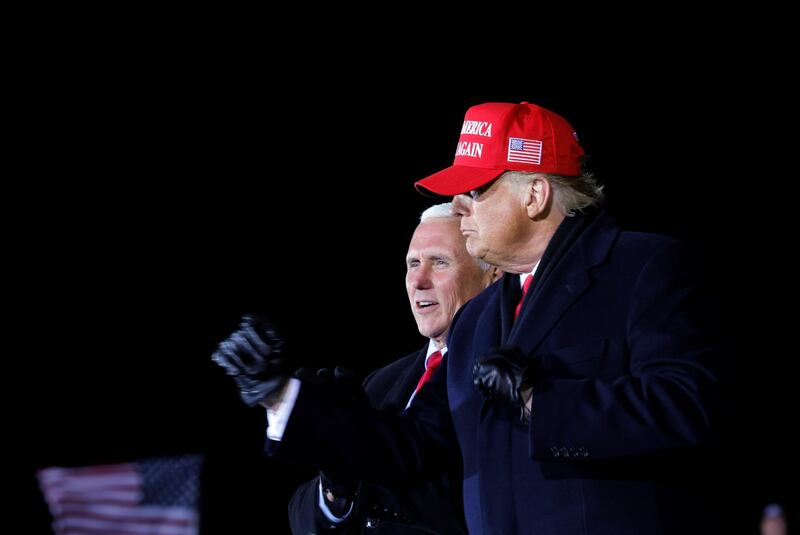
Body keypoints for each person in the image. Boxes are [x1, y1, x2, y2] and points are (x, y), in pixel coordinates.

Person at [212, 101, 722, 534]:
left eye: (477, 190)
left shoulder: (643, 266)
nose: (459, 206)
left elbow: (689, 406)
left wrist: (538, 400)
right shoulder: (478, 320)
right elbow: (411, 448)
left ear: (535, 194)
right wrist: (281, 395)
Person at [287, 203, 498, 534]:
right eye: (412, 264)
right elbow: (302, 520)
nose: (418, 280)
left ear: (492, 276)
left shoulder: (503, 375)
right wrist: (336, 487)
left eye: (439, 262)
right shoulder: (381, 383)